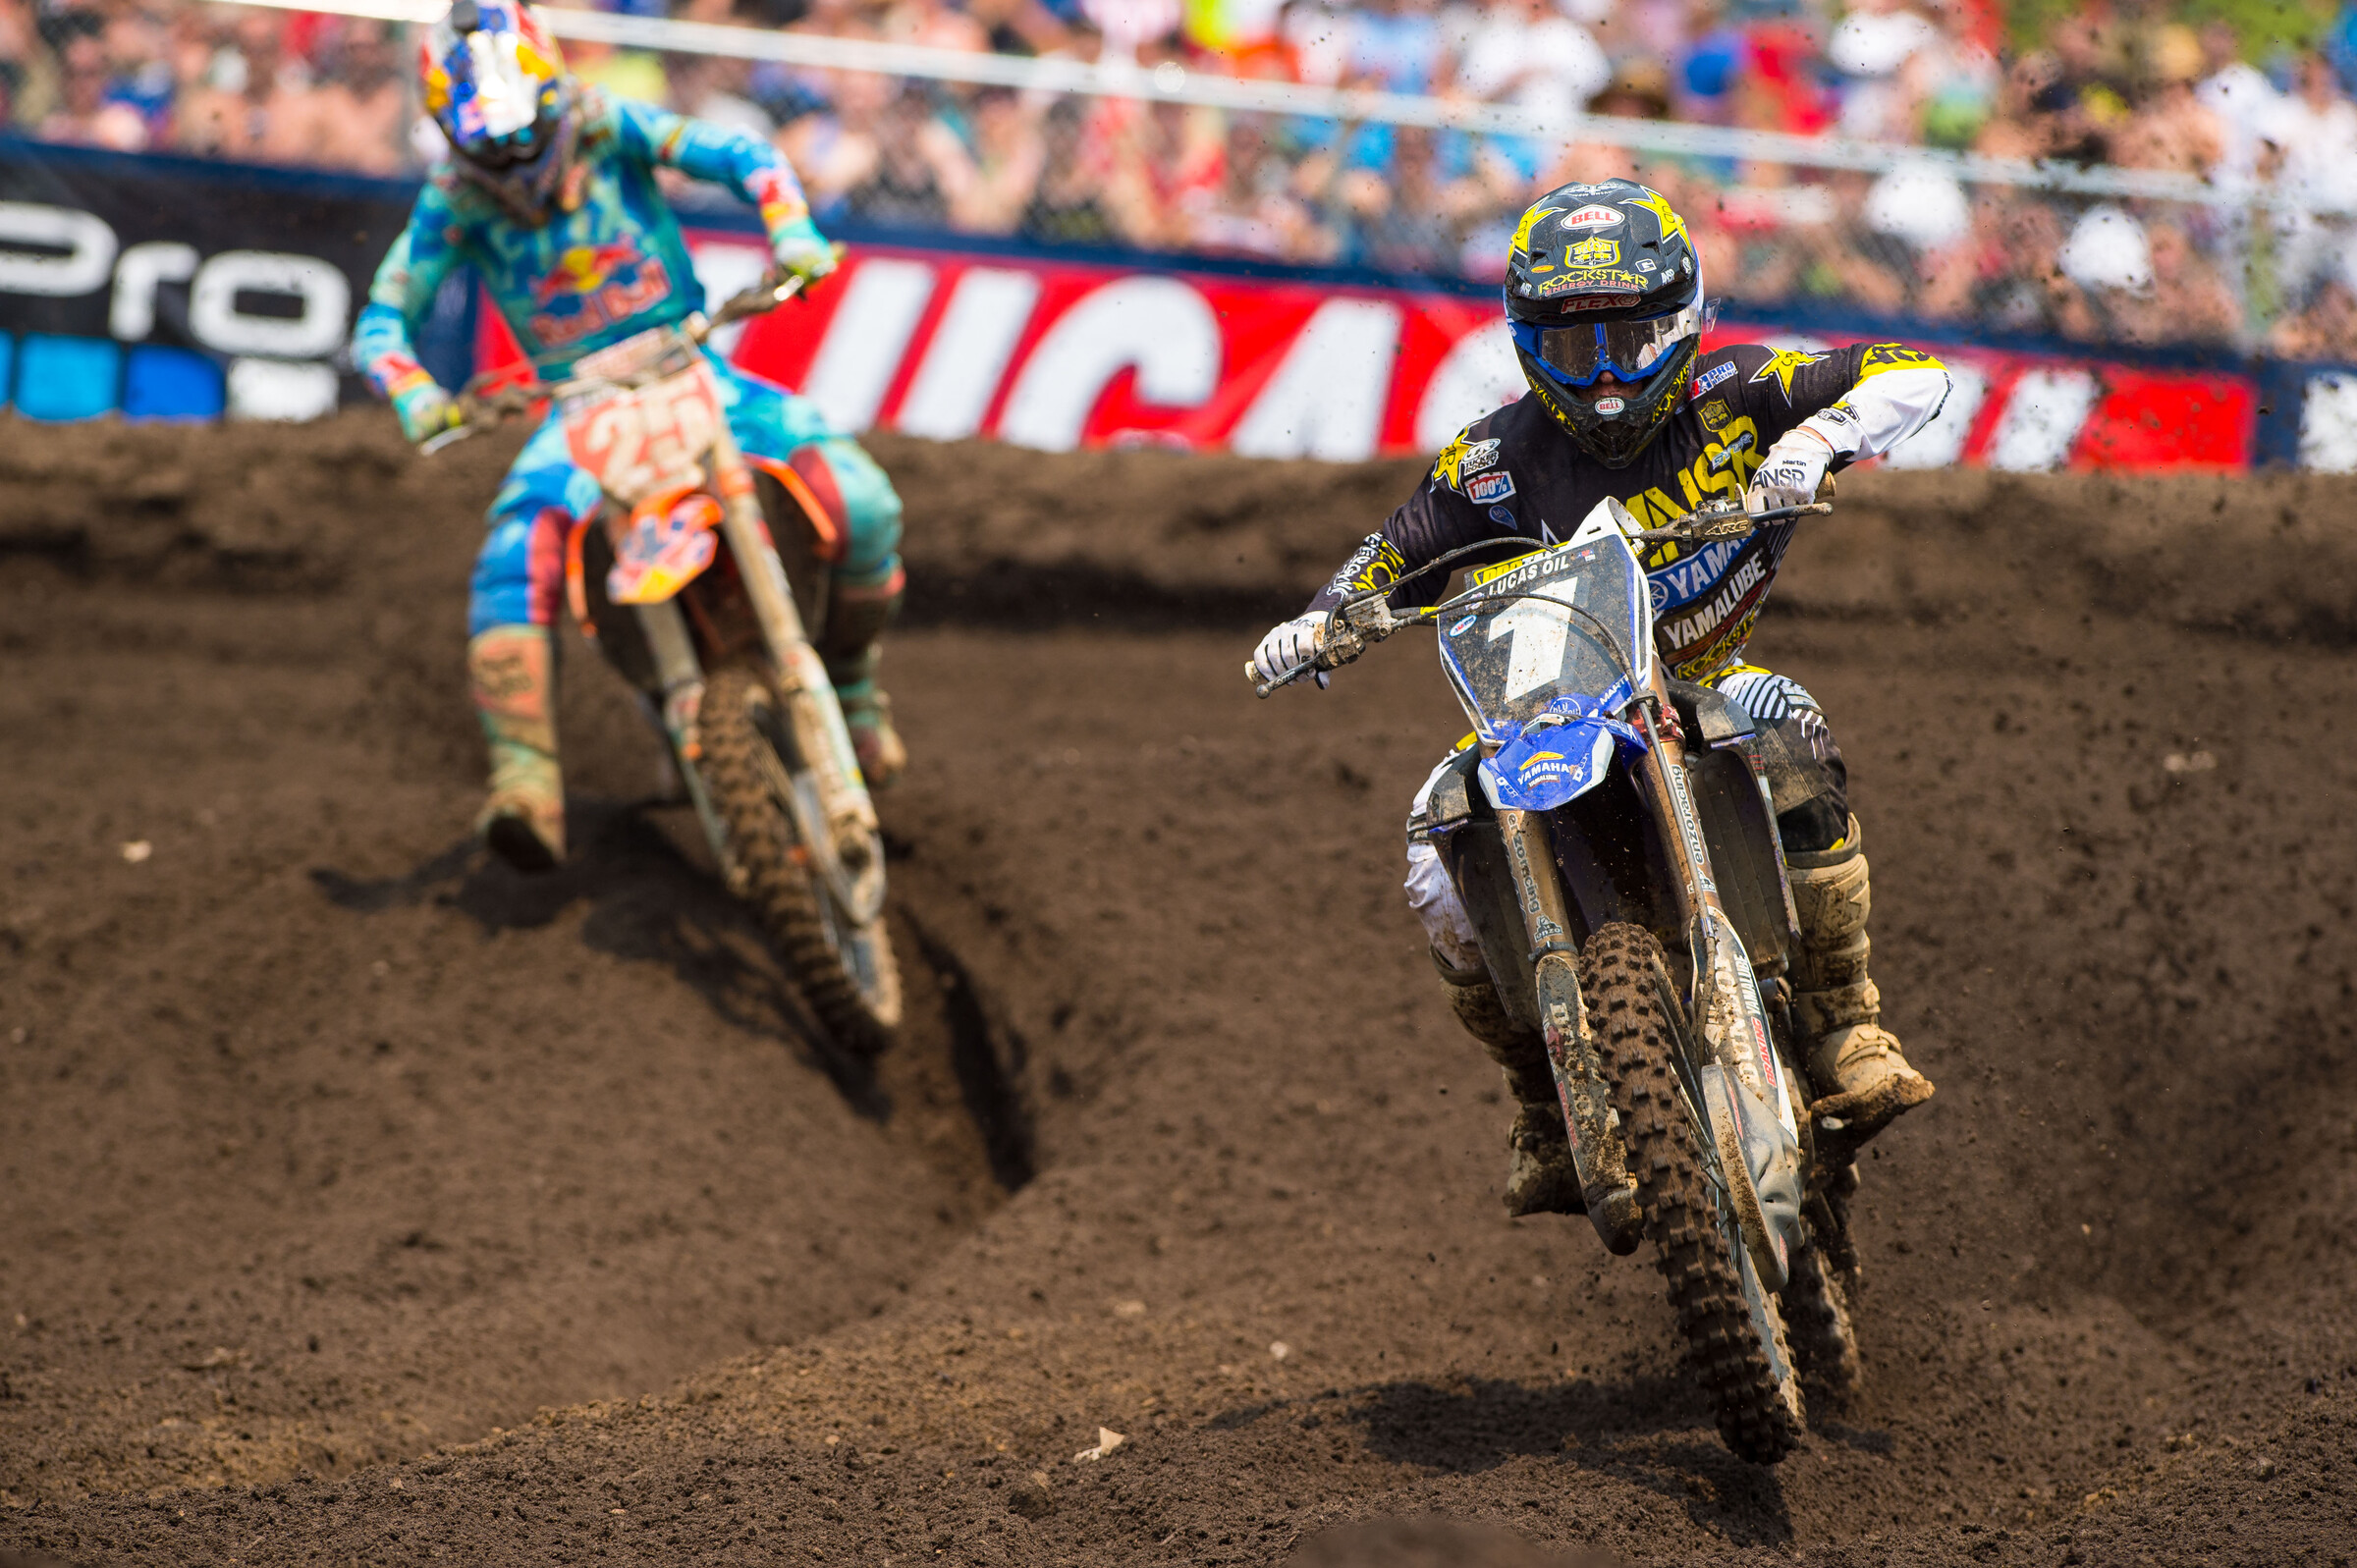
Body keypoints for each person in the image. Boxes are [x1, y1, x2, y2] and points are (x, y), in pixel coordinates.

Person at [1247, 179, 1946, 1216]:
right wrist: (1320, 620)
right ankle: (1538, 1097)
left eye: (1629, 340)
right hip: (1552, 714)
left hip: (1702, 685)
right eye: (1577, 352)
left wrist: (1812, 442)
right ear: (1531, 347)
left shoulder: (1741, 393)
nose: (1608, 377)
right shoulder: (1495, 461)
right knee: (1430, 851)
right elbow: (1395, 554)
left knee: (1791, 718)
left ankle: (1848, 1021)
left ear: (1686, 319)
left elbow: (1917, 372)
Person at [354, 0, 907, 873]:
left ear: (553, 91)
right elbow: (382, 320)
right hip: (576, 408)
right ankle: (526, 784)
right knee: (511, 561)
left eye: (526, 133)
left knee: (860, 500)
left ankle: (854, 689)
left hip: (692, 365)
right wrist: (415, 390)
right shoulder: (452, 203)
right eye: (489, 145)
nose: (516, 159)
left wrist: (790, 226)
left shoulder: (609, 126)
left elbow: (741, 153)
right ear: (454, 138)